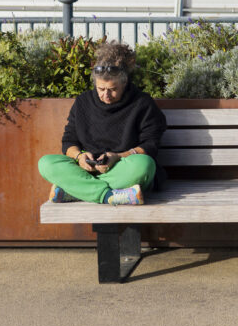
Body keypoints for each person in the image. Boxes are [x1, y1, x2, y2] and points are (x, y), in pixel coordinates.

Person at [38, 41, 166, 205]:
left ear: (124, 82)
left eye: (113, 89)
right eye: (101, 89)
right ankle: (109, 196)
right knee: (46, 163)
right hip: (86, 170)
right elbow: (69, 141)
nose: (106, 95)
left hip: (121, 168)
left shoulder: (142, 103)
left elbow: (150, 145)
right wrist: (80, 157)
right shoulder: (83, 102)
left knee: (145, 165)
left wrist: (118, 157)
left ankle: (77, 191)